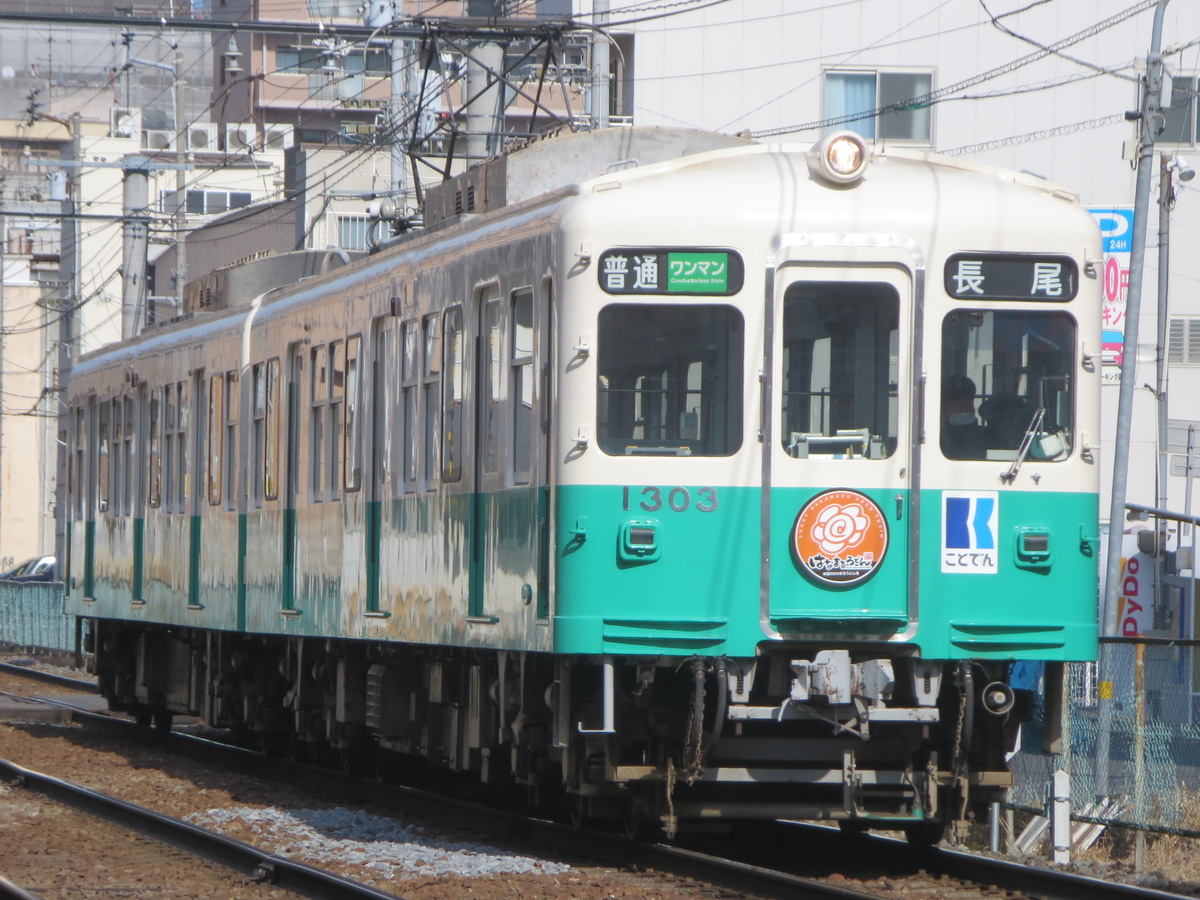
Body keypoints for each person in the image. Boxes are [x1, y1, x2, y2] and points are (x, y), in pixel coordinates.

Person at [941, 374, 987, 459]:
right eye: (959, 404)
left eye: (968, 403)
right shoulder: (937, 437)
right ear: (944, 410)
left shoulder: (985, 436)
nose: (965, 408)